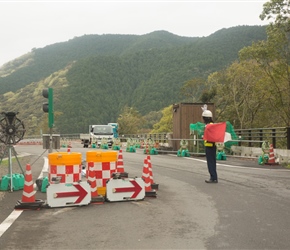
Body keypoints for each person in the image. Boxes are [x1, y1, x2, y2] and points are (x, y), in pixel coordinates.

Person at [202, 108, 218, 183]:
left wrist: (204, 137)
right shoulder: (213, 125)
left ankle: (213, 177)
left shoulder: (208, 126)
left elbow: (208, 136)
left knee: (210, 162)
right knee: (213, 161)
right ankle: (214, 176)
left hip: (209, 145)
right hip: (213, 145)